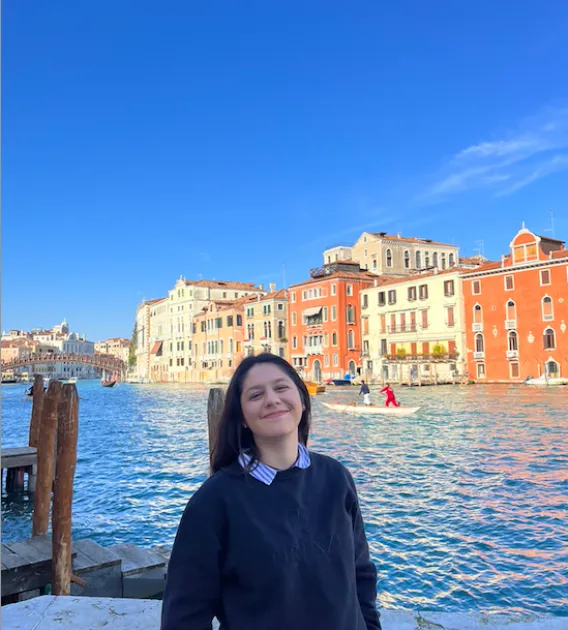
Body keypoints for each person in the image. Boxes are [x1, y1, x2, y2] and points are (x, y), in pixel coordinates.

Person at [161, 353, 381, 630]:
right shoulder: (213, 502)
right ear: (241, 417)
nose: (272, 399)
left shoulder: (337, 478)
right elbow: (184, 617)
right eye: (255, 395)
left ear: (301, 399)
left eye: (281, 388)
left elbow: (361, 573)